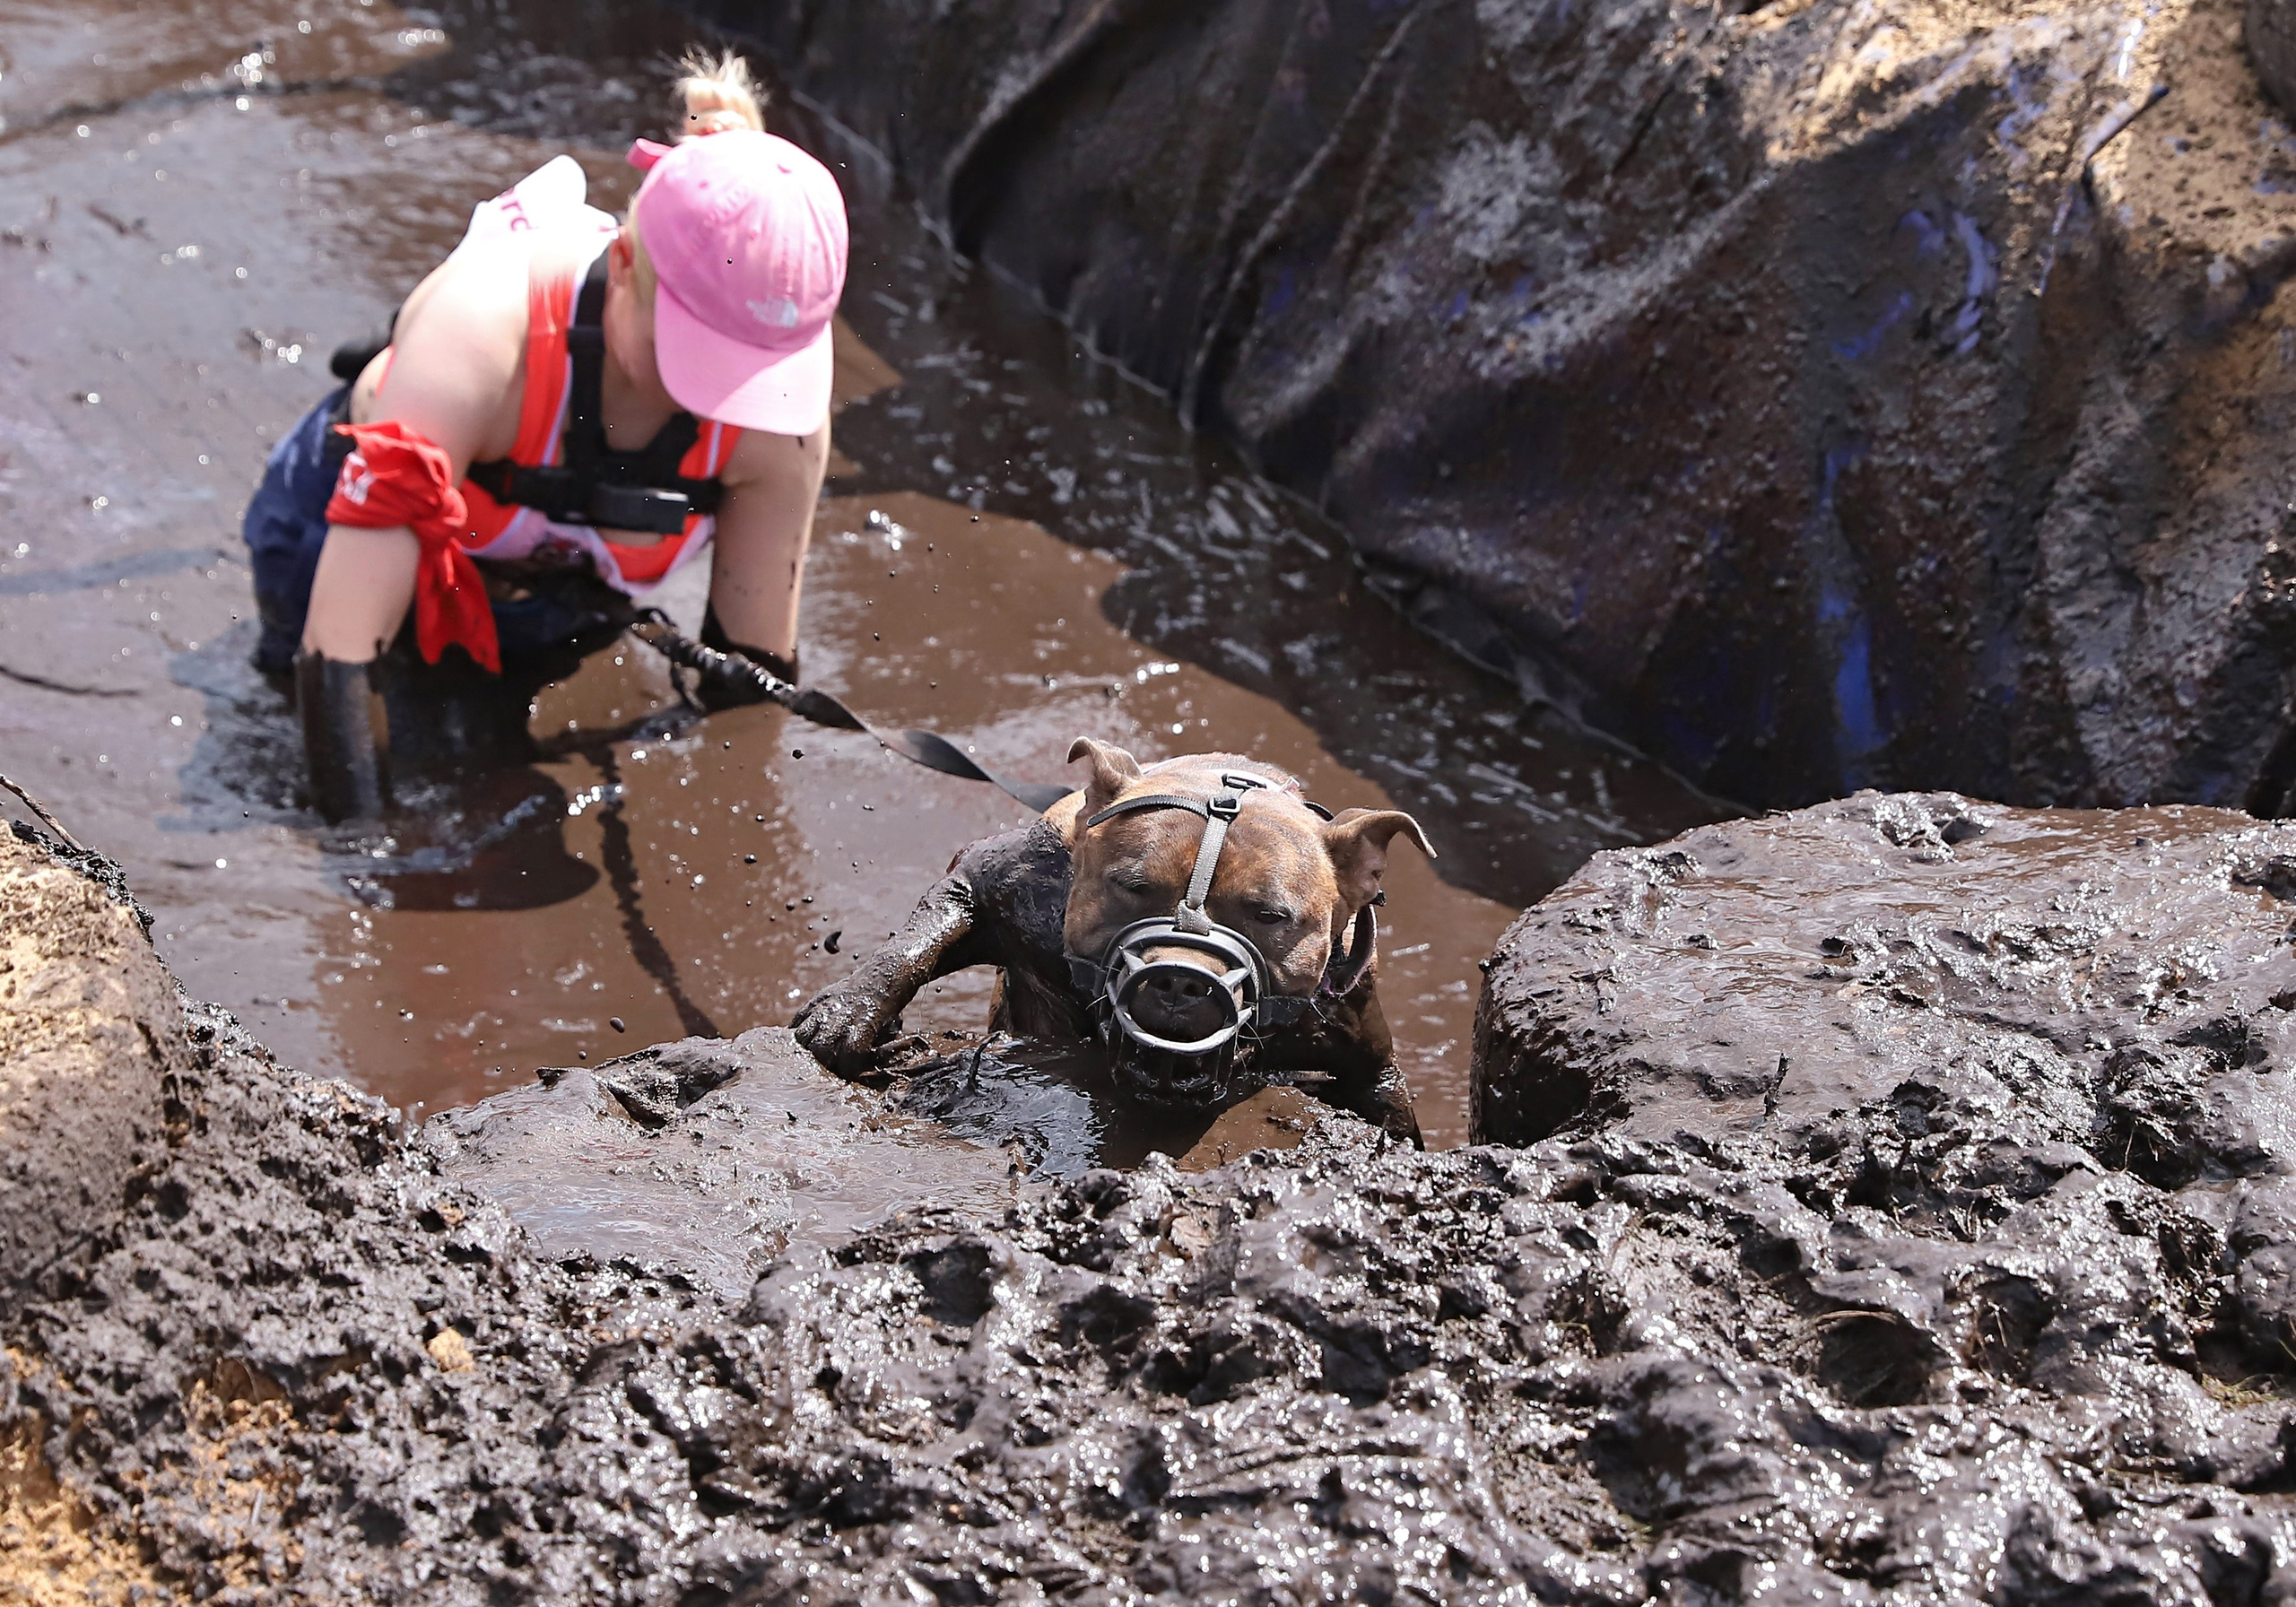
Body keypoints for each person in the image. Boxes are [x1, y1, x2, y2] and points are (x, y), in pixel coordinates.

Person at [241, 53, 844, 821]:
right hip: (346, 530)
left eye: (748, 371)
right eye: (695, 357)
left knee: (495, 749)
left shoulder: (779, 423)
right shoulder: (484, 337)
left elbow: (749, 683)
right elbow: (341, 651)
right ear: (623, 266)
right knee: (296, 719)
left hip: (552, 575)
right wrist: (369, 874)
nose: (723, 398)